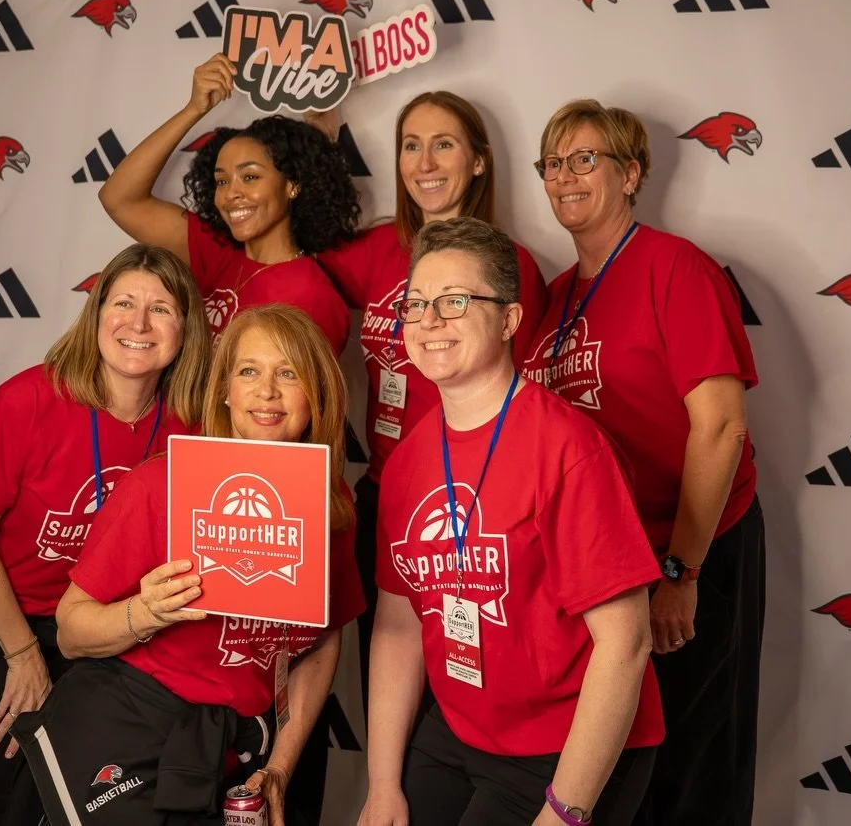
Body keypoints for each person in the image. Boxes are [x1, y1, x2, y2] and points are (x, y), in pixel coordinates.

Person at [360, 218, 662, 826]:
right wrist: (382, 784)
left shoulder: (568, 448)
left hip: (563, 741)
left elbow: (625, 644)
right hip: (457, 729)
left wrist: (565, 813)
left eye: (454, 301)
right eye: (416, 304)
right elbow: (398, 627)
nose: (428, 321)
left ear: (508, 320)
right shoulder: (407, 461)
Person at [12, 305, 363, 826]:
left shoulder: (329, 502)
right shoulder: (162, 485)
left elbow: (322, 640)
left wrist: (282, 766)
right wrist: (145, 611)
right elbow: (70, 633)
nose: (266, 391)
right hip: (128, 727)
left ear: (318, 394)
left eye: (288, 373)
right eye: (248, 371)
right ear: (224, 390)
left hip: (237, 748)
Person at [521, 100, 765, 826]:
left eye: (585, 159)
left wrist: (682, 573)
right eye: (553, 164)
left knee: (690, 768)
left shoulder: (674, 268)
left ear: (631, 173)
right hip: (608, 568)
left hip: (688, 552)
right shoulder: (557, 296)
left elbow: (720, 428)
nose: (565, 177)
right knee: (618, 768)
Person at [0, 244, 207, 826]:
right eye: (123, 303)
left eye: (162, 309)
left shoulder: (192, 418)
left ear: (186, 329)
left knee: (92, 788)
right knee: (19, 787)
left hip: (97, 620)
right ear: (96, 314)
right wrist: (22, 653)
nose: (139, 324)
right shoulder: (27, 401)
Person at [314, 91, 548, 698]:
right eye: (410, 146)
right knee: (389, 682)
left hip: (470, 510)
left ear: (478, 162)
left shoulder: (510, 266)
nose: (424, 162)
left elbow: (527, 411)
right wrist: (318, 133)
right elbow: (287, 245)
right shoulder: (377, 249)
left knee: (470, 685)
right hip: (387, 495)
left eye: (443, 144)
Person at [97, 53, 357, 353]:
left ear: (293, 185)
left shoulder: (312, 296)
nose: (231, 193)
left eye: (249, 177)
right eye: (222, 180)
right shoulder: (219, 254)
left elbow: (296, 396)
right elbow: (119, 198)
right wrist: (194, 109)